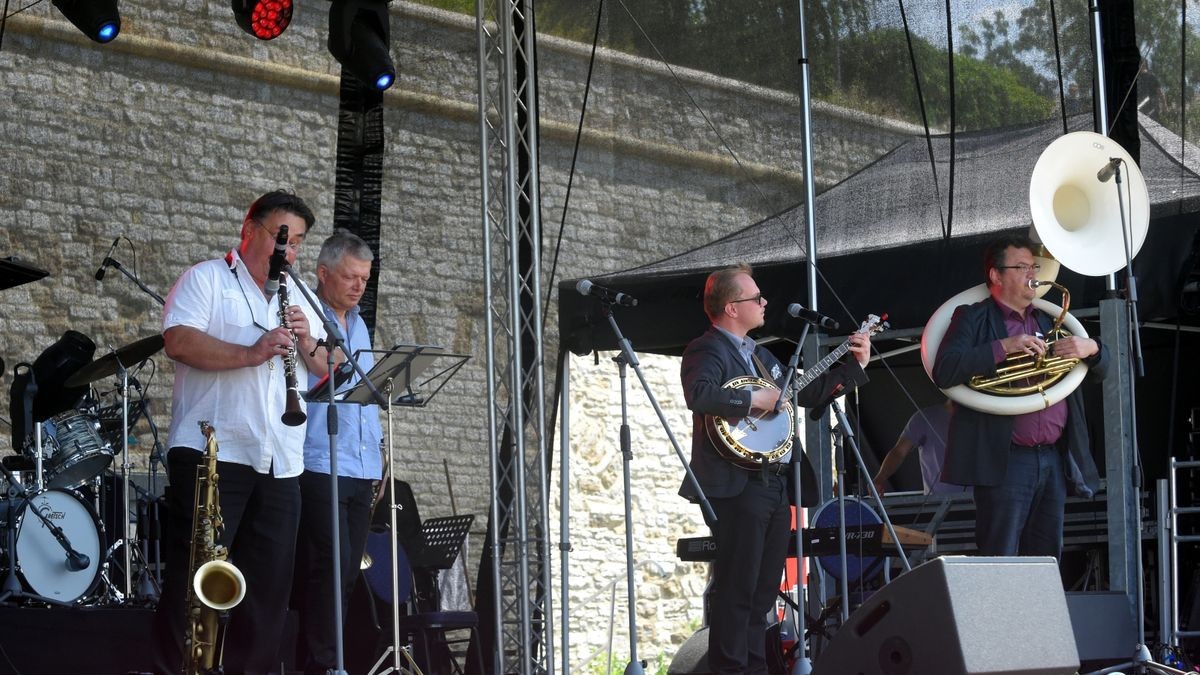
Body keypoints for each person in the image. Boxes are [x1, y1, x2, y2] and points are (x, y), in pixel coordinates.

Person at [153, 190, 331, 675]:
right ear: (248, 230)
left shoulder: (300, 297)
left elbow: (326, 367)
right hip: (213, 451)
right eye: (279, 237)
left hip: (280, 460)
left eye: (295, 244)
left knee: (268, 591)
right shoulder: (207, 278)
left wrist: (307, 339)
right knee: (194, 580)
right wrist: (249, 353)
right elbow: (179, 341)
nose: (286, 251)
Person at [678, 263, 870, 675]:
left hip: (774, 483)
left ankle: (756, 668)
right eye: (756, 298)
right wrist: (752, 402)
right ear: (731, 307)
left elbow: (807, 391)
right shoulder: (707, 349)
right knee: (738, 588)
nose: (765, 303)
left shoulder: (761, 356)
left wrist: (855, 366)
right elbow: (700, 394)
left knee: (764, 591)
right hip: (737, 484)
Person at [932, 233, 1109, 558]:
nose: (1033, 274)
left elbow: (1103, 368)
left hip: (1054, 457)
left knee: (1047, 559)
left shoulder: (1049, 318)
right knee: (1001, 561)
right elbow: (945, 369)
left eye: (1034, 266)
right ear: (996, 275)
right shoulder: (973, 317)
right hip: (1007, 460)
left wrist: (1093, 347)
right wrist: (1003, 347)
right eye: (1022, 266)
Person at [293, 229, 384, 674]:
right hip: (321, 458)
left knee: (349, 570)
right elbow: (322, 373)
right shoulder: (305, 312)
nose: (358, 286)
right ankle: (320, 663)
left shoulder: (360, 322)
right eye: (350, 277)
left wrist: (379, 455)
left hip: (361, 464)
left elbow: (367, 394)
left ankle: (334, 661)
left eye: (365, 279)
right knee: (327, 566)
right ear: (324, 273)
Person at [871, 399, 969, 496]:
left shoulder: (982, 419)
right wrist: (880, 478)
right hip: (937, 505)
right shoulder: (925, 417)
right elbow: (899, 452)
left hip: (977, 502)